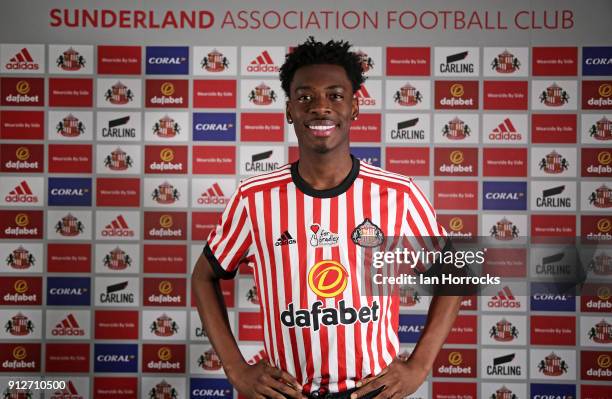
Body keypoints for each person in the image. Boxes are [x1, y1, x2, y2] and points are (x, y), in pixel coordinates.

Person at [192, 37, 462, 399]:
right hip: (288, 392)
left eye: (335, 95)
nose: (320, 107)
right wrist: (237, 369)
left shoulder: (398, 194)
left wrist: (417, 366)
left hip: (371, 391)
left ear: (354, 107)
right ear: (289, 110)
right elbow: (204, 276)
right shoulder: (254, 198)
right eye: (305, 97)